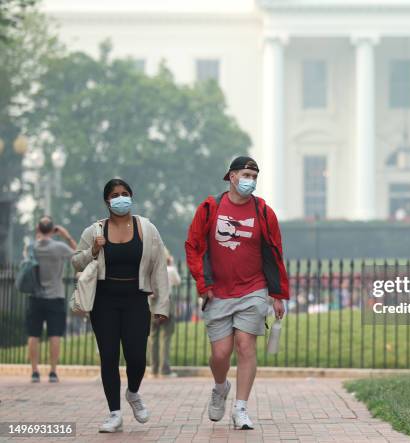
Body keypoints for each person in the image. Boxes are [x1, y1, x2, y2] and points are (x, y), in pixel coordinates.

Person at [185, 156, 289, 430]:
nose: (250, 181)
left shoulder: (264, 212)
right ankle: (221, 387)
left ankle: (241, 408)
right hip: (218, 292)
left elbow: (275, 253)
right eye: (246, 175)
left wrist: (278, 294)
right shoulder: (209, 208)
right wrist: (202, 283)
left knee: (245, 345)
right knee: (220, 354)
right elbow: (193, 246)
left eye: (254, 176)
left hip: (253, 289)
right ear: (231, 176)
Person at [72, 178, 170, 433]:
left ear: (131, 196)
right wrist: (93, 250)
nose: (120, 198)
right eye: (115, 194)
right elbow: (76, 262)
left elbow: (159, 266)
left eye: (125, 193)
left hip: (136, 299)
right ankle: (114, 413)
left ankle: (133, 393)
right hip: (104, 301)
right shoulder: (94, 230)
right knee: (109, 356)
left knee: (137, 357)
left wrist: (162, 304)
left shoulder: (146, 228)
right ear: (107, 200)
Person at [27, 215, 76, 383]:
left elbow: (27, 260)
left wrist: (38, 234)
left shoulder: (32, 247)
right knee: (54, 335)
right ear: (53, 230)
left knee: (34, 334)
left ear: (39, 229)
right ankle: (53, 372)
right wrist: (66, 236)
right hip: (56, 296)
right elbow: (78, 256)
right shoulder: (60, 247)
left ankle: (34, 371)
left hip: (35, 296)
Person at [149, 248, 181, 378]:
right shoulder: (170, 270)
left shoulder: (150, 270)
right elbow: (178, 282)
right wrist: (172, 264)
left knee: (153, 337)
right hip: (167, 303)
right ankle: (164, 369)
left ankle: (153, 369)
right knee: (166, 337)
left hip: (153, 304)